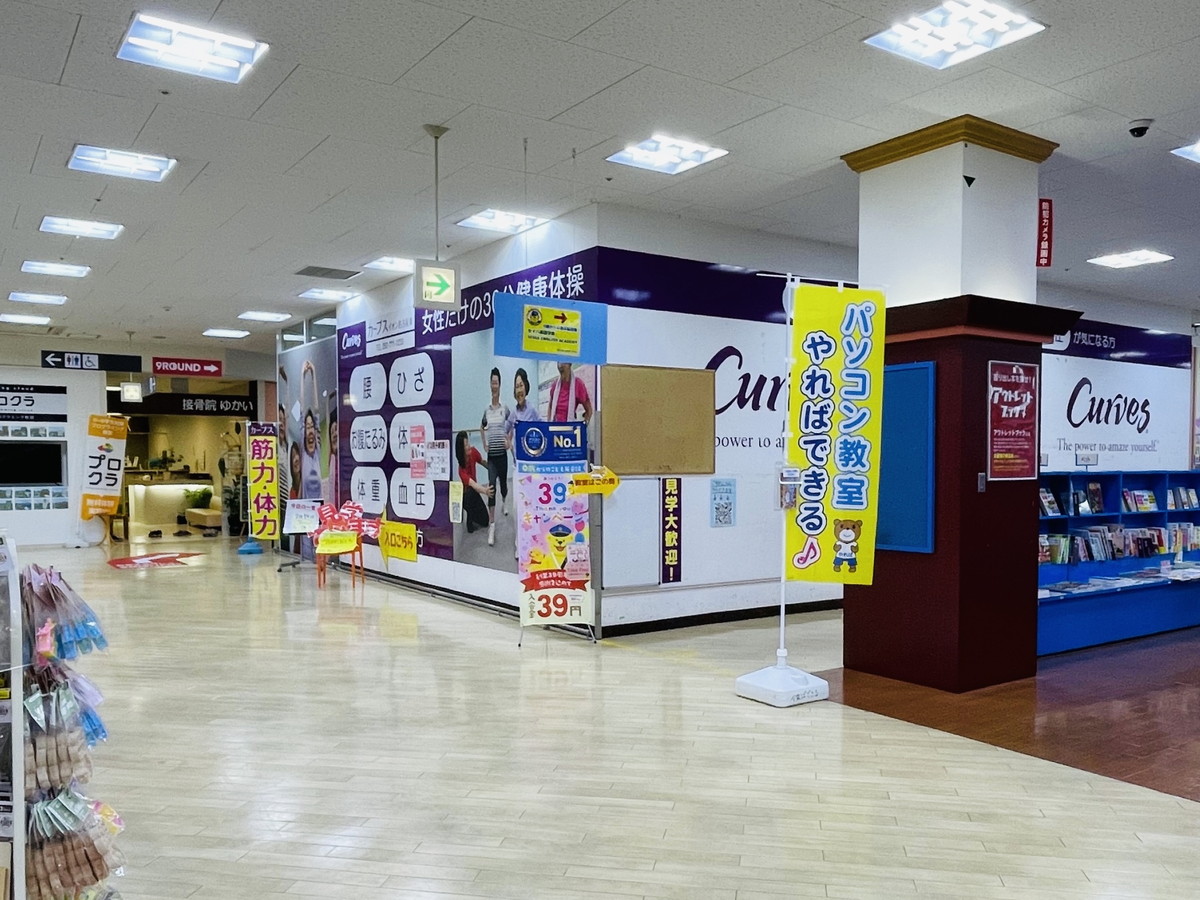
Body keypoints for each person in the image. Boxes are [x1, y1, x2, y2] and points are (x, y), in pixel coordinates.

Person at [480, 367, 511, 546]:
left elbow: (512, 424)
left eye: (496, 382)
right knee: (491, 487)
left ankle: (505, 501)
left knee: (503, 485)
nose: (494, 385)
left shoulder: (504, 408)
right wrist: (484, 444)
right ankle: (492, 526)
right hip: (492, 456)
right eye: (492, 382)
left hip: (502, 456)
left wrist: (509, 440)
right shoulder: (487, 410)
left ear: (500, 385)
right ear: (490, 385)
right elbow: (482, 426)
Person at [455, 431, 492, 535]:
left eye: (468, 443)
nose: (469, 446)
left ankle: (473, 513)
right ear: (461, 450)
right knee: (470, 491)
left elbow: (482, 462)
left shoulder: (473, 452)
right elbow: (473, 484)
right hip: (466, 496)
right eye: (466, 445)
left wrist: (493, 469)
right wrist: (485, 491)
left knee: (485, 521)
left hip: (474, 492)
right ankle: (469, 516)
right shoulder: (461, 470)